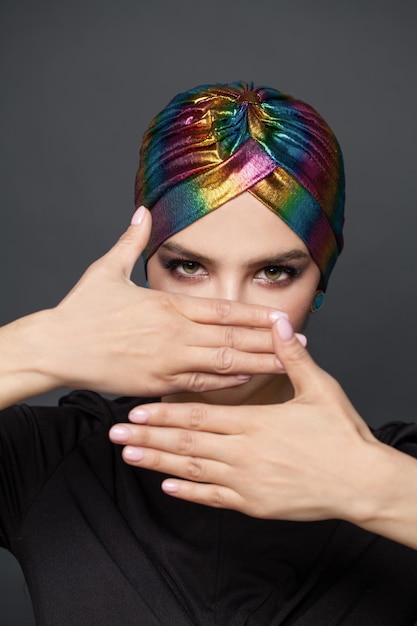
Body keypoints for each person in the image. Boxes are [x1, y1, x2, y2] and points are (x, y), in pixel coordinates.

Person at [1, 82, 416, 625]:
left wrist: (373, 487)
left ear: (319, 283)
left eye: (274, 272)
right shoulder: (52, 460)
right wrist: (39, 346)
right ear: (146, 265)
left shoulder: (397, 469)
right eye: (188, 267)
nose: (225, 313)